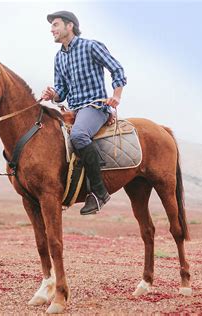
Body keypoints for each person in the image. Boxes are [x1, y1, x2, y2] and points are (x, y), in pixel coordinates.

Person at [41, 10, 127, 215]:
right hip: (74, 110)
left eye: (55, 24)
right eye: (52, 25)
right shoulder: (58, 57)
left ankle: (99, 192)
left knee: (78, 135)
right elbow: (61, 91)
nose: (51, 29)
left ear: (69, 26)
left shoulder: (91, 46)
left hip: (95, 107)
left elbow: (117, 69)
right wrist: (53, 94)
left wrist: (116, 95)